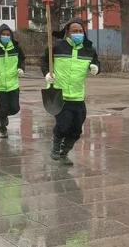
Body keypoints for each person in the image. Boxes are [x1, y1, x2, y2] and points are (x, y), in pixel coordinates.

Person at [40, 17, 99, 165]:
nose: (78, 33)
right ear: (68, 32)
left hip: (78, 96)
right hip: (59, 94)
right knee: (63, 124)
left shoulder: (89, 49)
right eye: (74, 31)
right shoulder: (57, 47)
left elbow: (96, 62)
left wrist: (96, 68)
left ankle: (64, 152)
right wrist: (47, 73)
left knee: (77, 129)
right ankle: (55, 146)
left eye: (80, 31)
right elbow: (44, 61)